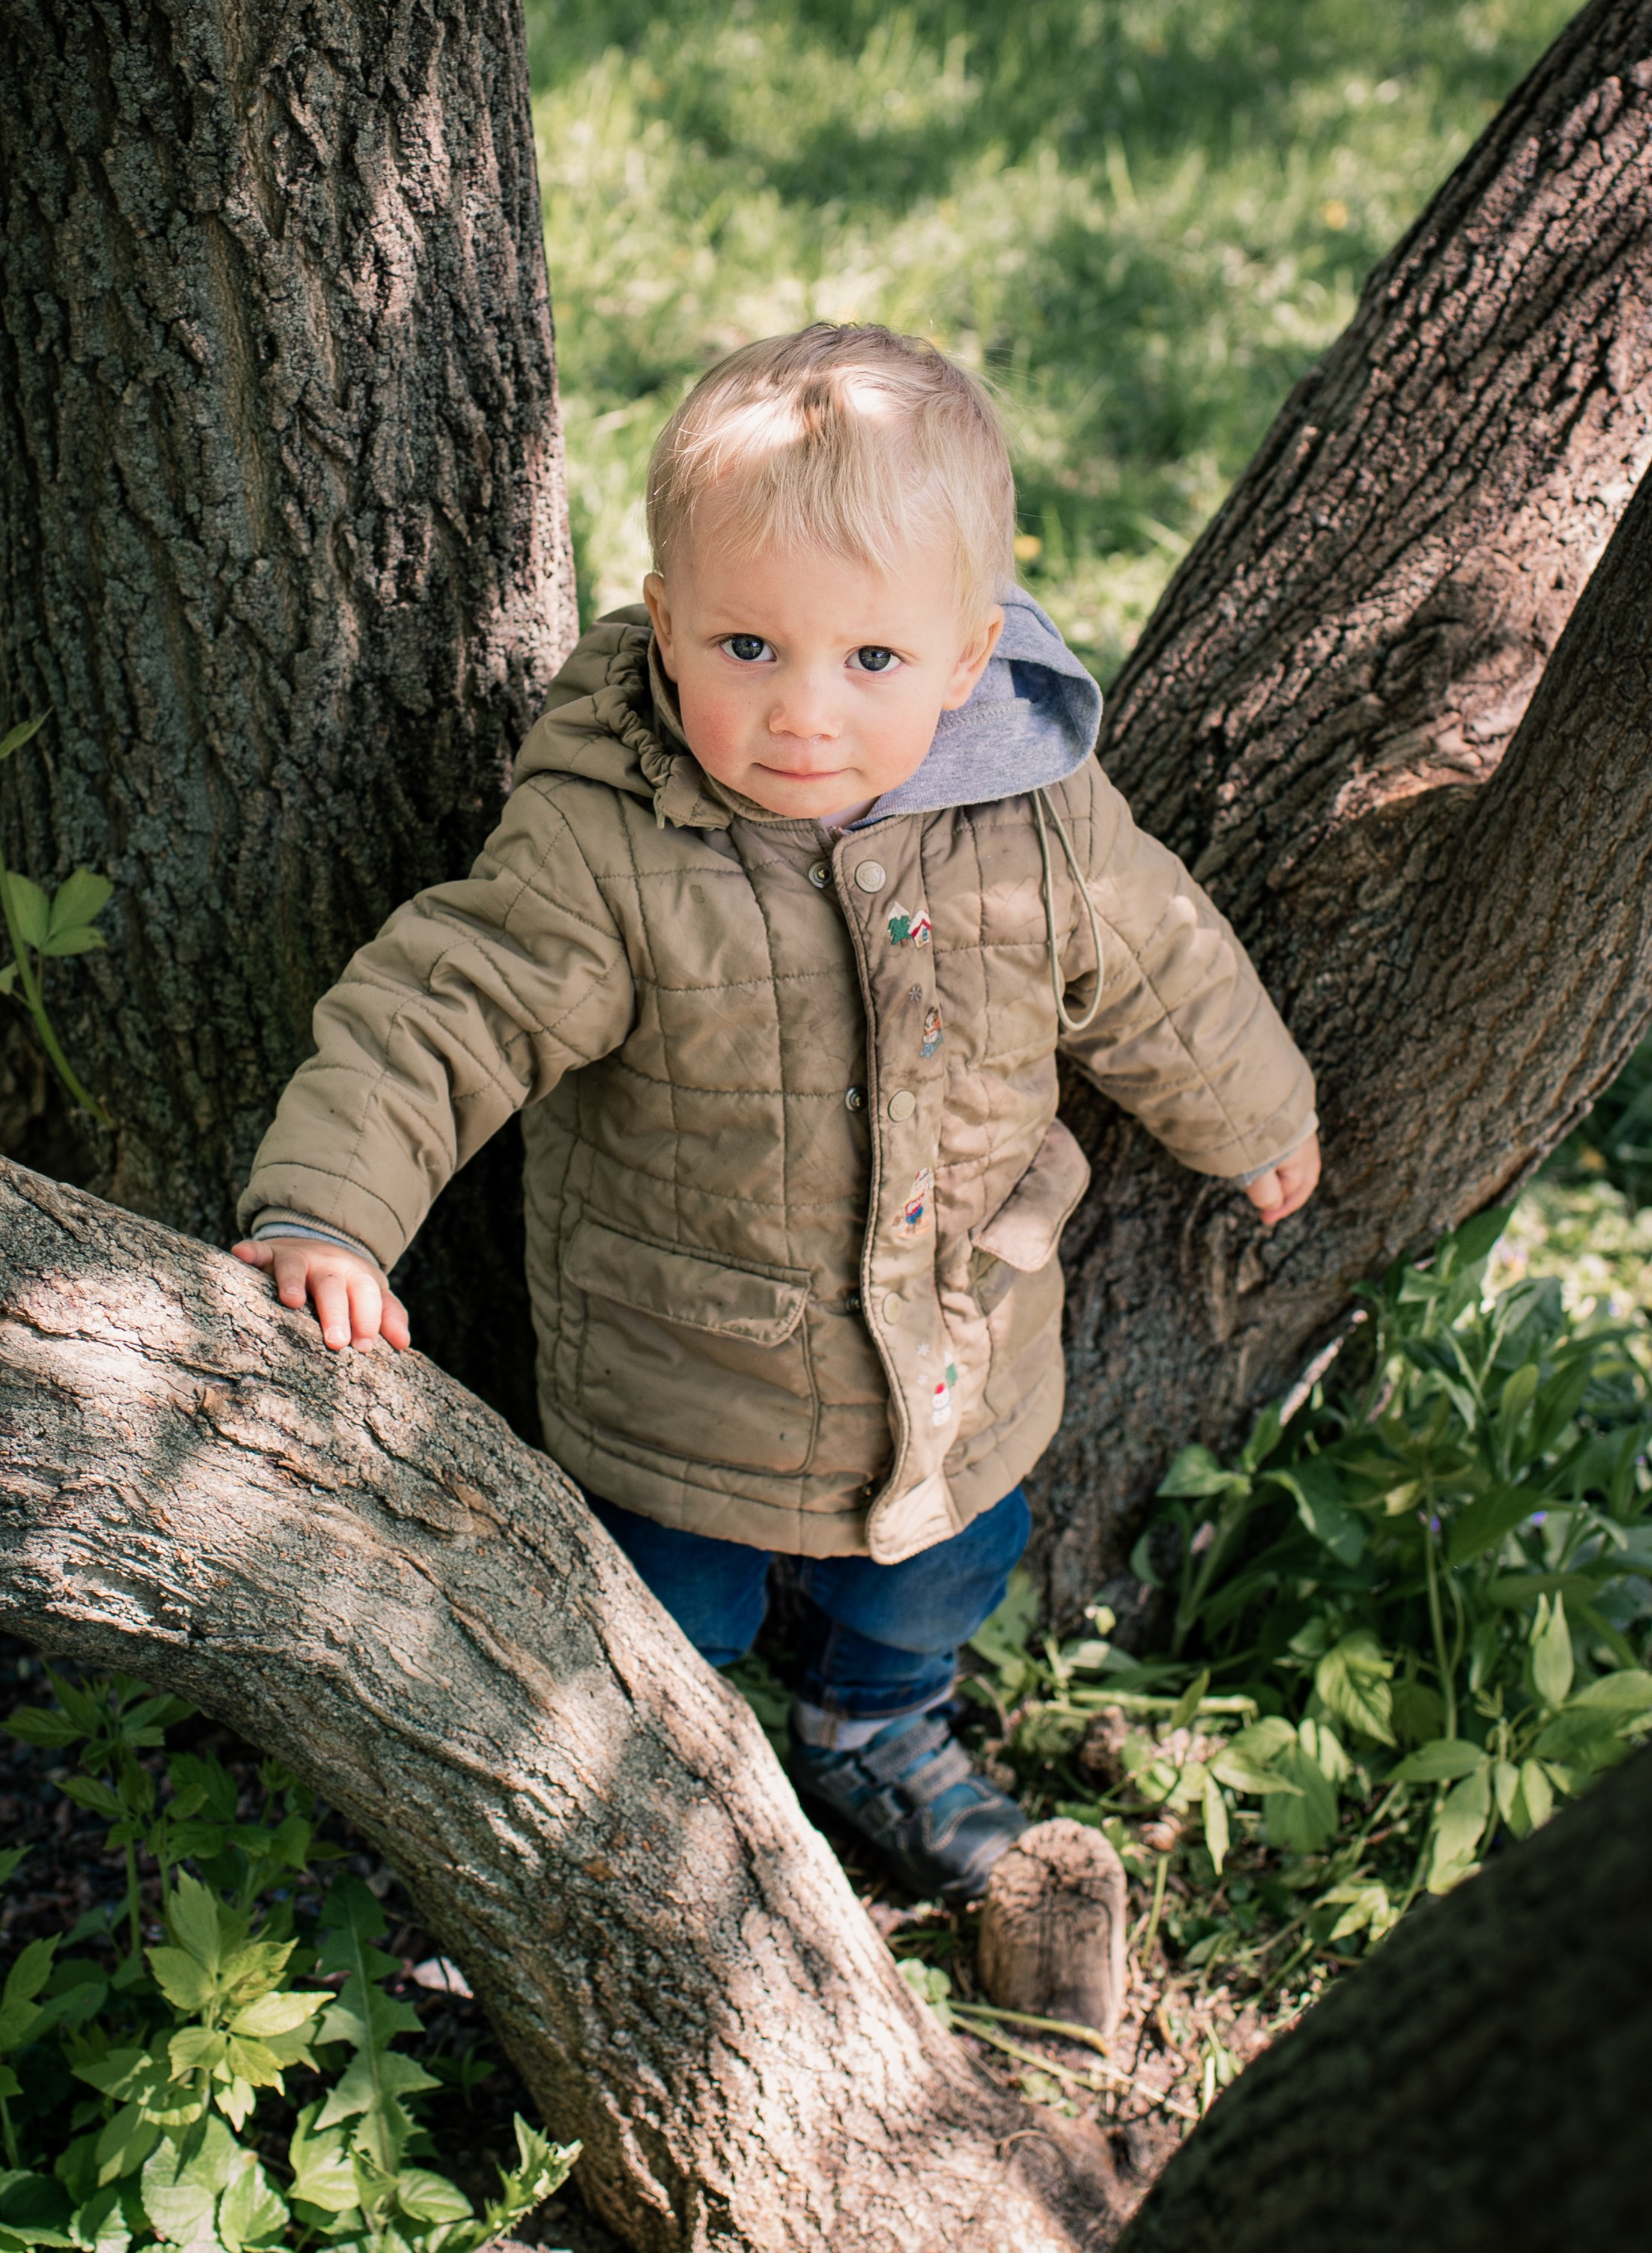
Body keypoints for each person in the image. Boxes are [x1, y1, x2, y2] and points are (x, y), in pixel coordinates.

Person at [234, 323, 1320, 1904]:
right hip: (684, 1380)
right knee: (655, 1611)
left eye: (867, 661)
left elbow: (1156, 960)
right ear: (664, 624)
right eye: (746, 647)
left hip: (955, 1360)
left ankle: (876, 1729)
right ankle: (638, 1805)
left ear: (962, 661)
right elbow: (444, 1005)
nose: (801, 710)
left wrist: (1253, 1113)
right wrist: (329, 1202)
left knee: (942, 1569)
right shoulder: (610, 838)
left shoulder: (1031, 814)